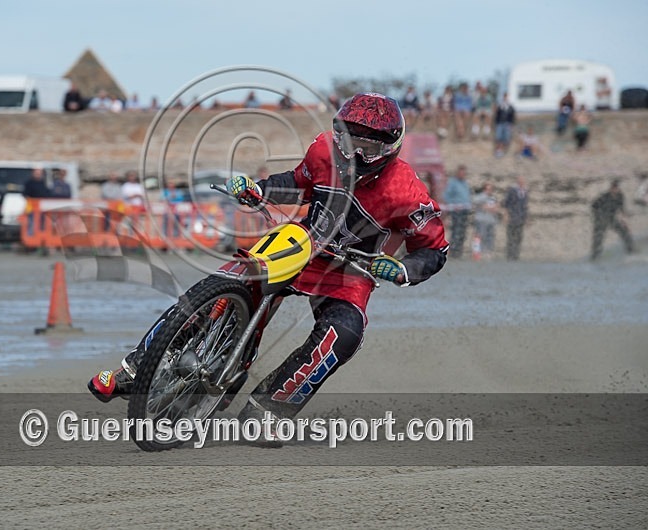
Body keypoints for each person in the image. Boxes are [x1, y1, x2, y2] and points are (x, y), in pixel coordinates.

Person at [88, 93, 449, 439]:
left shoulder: (407, 192)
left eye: (366, 149)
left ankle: (268, 410)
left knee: (345, 335)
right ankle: (138, 366)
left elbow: (434, 249)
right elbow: (296, 183)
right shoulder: (323, 148)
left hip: (350, 270)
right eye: (348, 140)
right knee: (226, 281)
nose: (352, 153)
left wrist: (402, 270)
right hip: (302, 243)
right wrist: (256, 189)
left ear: (388, 149)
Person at [590, 180, 635, 260]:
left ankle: (630, 250)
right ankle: (595, 256)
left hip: (611, 218)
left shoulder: (620, 196)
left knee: (624, 231)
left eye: (616, 188)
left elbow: (622, 209)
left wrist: (626, 215)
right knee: (598, 237)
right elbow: (594, 206)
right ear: (611, 188)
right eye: (613, 188)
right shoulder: (604, 196)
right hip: (601, 219)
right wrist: (598, 216)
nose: (615, 189)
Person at [442, 165, 473, 259]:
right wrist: (454, 205)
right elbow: (446, 196)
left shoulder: (465, 183)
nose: (463, 175)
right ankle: (454, 252)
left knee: (463, 232)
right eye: (462, 173)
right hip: (456, 211)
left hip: (465, 210)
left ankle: (459, 251)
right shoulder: (453, 183)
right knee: (456, 231)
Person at [502, 175, 529, 260]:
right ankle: (510, 256)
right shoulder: (512, 191)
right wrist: (506, 215)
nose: (522, 182)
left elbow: (525, 207)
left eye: (523, 181)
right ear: (517, 181)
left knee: (518, 238)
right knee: (511, 238)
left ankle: (516, 256)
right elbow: (506, 203)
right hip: (512, 217)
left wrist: (526, 218)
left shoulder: (525, 192)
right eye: (520, 181)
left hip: (520, 219)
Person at [472, 182, 500, 258]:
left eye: (491, 189)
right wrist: (484, 206)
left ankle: (488, 252)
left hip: (491, 220)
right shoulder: (480, 197)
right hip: (481, 220)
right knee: (480, 236)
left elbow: (495, 207)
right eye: (488, 189)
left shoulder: (493, 198)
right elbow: (475, 202)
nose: (489, 191)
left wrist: (494, 208)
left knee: (490, 237)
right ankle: (477, 252)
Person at [493, 92, 516, 157]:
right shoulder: (500, 106)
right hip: (500, 123)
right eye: (505, 97)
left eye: (507, 97)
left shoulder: (511, 106)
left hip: (507, 123)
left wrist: (511, 124)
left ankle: (502, 150)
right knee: (498, 137)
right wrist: (496, 123)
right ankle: (498, 151)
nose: (505, 98)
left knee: (506, 137)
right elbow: (497, 115)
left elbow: (512, 116)